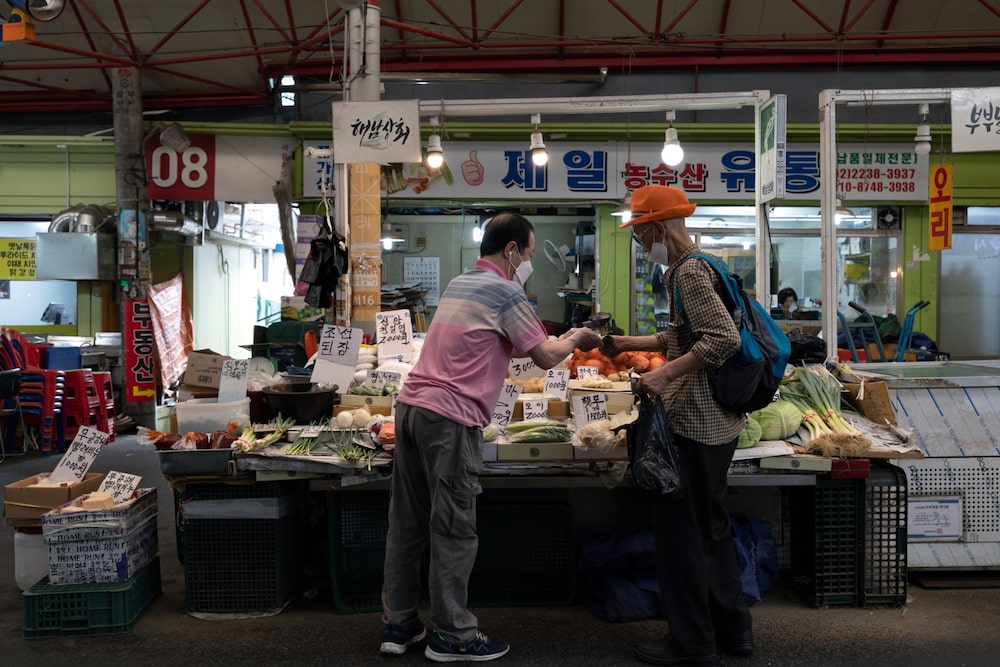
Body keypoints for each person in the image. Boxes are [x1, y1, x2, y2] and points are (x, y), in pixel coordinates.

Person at [379, 211, 603, 663]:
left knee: (407, 523)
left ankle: (399, 624)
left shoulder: (460, 282)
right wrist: (578, 336)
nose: (530, 263)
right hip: (449, 419)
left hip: (409, 410)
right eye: (531, 254)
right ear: (511, 251)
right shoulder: (506, 290)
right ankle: (453, 635)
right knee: (453, 527)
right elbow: (543, 356)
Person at [602, 185, 754, 666]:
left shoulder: (687, 272)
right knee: (711, 528)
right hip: (720, 424)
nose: (640, 245)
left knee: (680, 537)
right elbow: (681, 335)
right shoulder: (707, 263)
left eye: (639, 236)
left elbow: (721, 339)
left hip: (697, 422)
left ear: (657, 228)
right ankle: (735, 632)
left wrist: (662, 374)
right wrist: (624, 342)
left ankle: (691, 643)